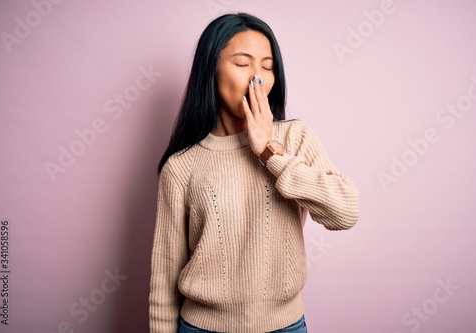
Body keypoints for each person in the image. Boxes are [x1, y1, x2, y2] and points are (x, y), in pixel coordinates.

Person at [149, 12, 359, 333]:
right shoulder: (181, 166)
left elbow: (345, 211)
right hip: (202, 328)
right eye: (242, 64)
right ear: (211, 70)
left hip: (284, 326)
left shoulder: (294, 139)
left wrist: (268, 150)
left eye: (267, 66)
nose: (257, 78)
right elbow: (164, 280)